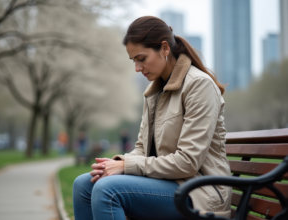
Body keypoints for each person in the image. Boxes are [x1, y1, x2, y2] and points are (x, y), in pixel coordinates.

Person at [73, 16, 232, 220]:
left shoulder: (199, 86)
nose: (137, 68)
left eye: (142, 59)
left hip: (200, 192)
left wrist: (126, 166)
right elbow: (142, 147)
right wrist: (116, 163)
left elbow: (188, 162)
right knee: (83, 185)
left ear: (164, 48)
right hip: (169, 184)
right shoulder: (154, 92)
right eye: (134, 61)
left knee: (107, 189)